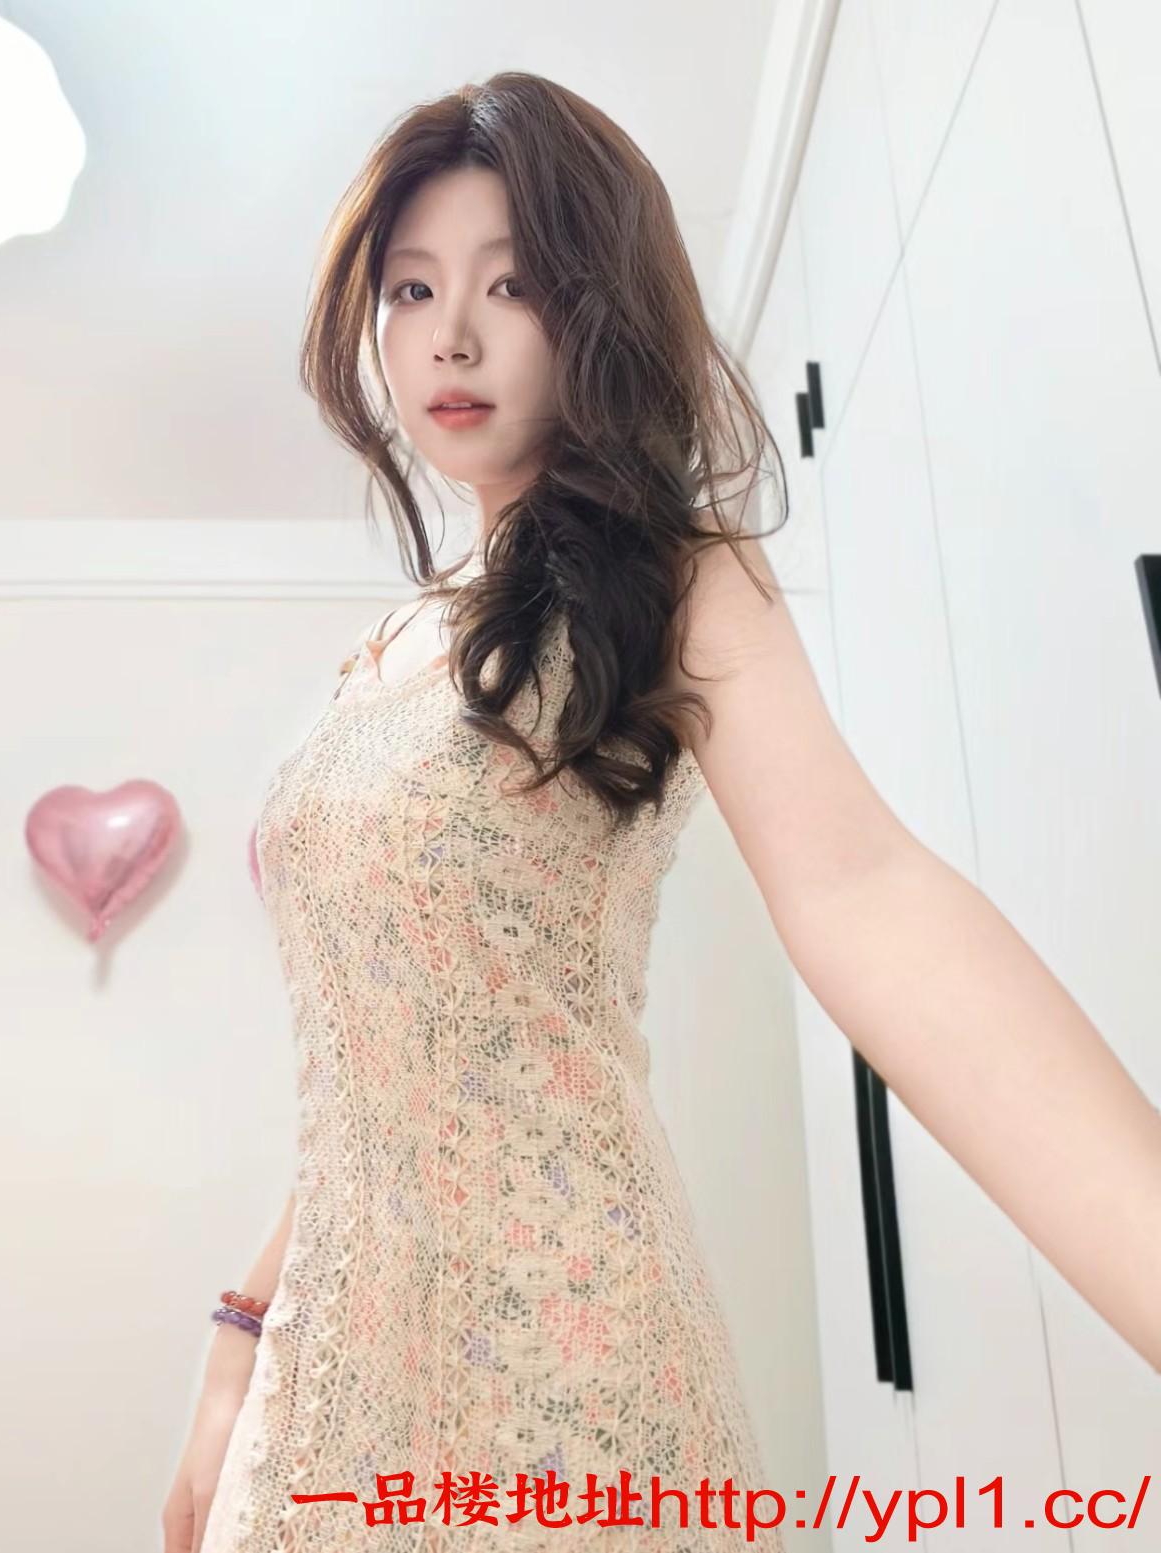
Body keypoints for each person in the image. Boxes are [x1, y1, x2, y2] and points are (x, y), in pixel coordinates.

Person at [163, 71, 1161, 1553]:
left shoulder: (676, 582)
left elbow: (869, 896)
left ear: (599, 308)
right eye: (413, 288)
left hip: (566, 1365)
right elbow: (387, 1068)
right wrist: (239, 1343)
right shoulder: (383, 651)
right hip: (335, 1376)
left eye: (513, 284)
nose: (450, 335)